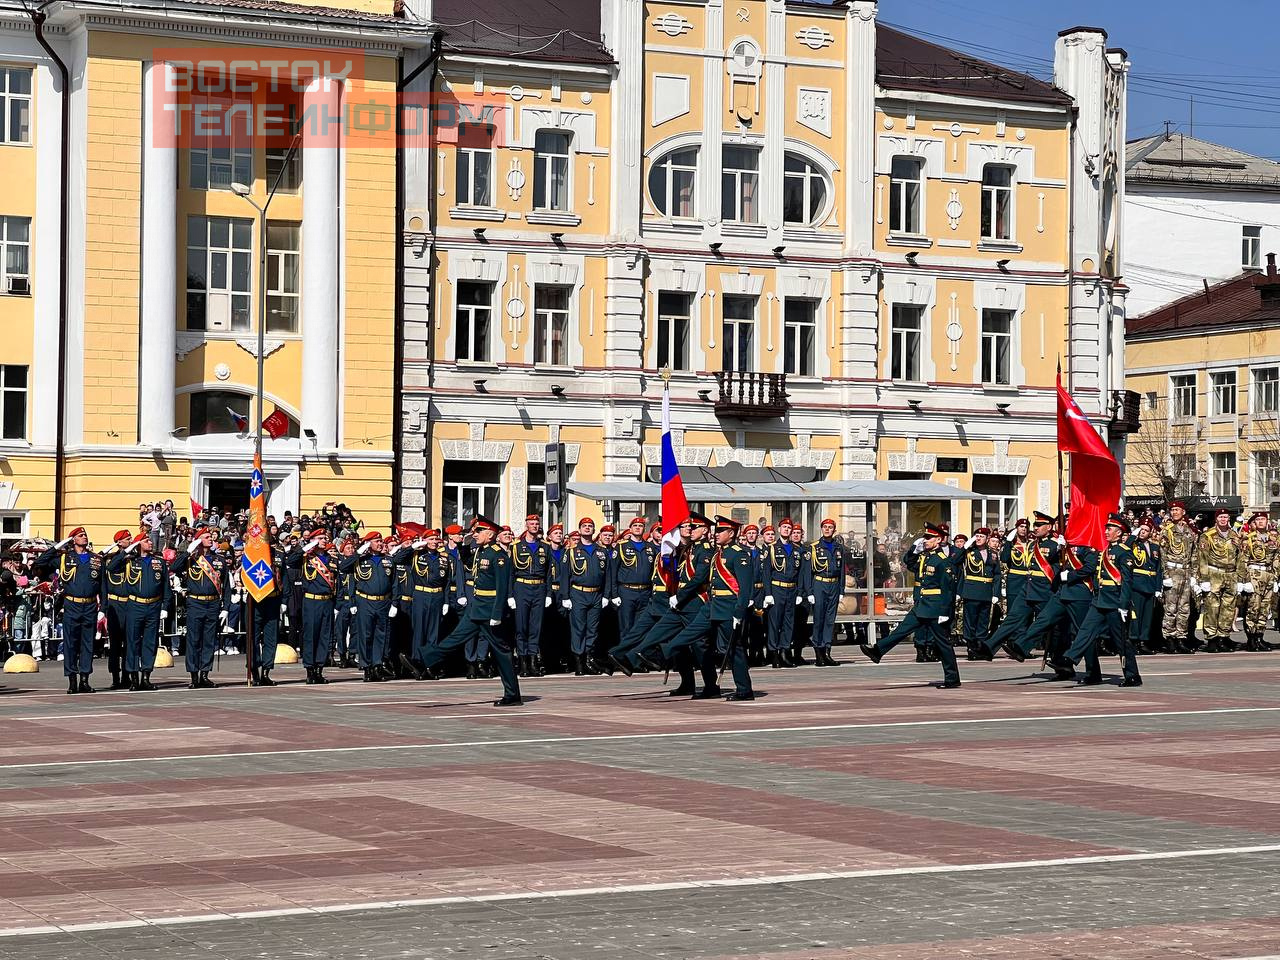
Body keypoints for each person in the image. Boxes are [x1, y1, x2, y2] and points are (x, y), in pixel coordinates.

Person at [422, 517, 521, 706]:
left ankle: (512, 694)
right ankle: (423, 659)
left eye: (478, 531)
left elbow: (502, 587)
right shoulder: (481, 551)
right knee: (455, 638)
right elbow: (468, 562)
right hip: (476, 607)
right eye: (474, 532)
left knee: (501, 652)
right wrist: (462, 545)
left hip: (490, 611)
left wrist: (497, 614)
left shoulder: (498, 555)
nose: (474, 534)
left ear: (490, 535)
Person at [663, 516, 755, 700]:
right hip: (712, 605)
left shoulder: (739, 554)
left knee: (733, 649)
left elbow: (745, 588)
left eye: (721, 531)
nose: (716, 534)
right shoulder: (717, 554)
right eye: (716, 531)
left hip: (729, 607)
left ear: (731, 533)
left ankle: (745, 690)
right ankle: (664, 651)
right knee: (690, 632)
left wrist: (739, 612)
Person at [860, 522, 960, 688]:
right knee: (901, 630)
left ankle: (952, 678)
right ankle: (877, 651)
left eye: (928, 538)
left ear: (938, 540)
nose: (925, 540)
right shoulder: (925, 556)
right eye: (925, 537)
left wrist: (944, 612)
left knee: (942, 643)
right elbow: (909, 562)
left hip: (935, 608)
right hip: (922, 605)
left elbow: (948, 589)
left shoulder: (942, 561)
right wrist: (915, 548)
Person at [1051, 514, 1141, 687]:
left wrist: (1123, 605)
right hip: (1099, 600)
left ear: (1119, 532)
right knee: (1085, 630)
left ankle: (1132, 675)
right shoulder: (1104, 551)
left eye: (1110, 529)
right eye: (1106, 528)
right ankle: (1069, 659)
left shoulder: (1124, 553)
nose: (1106, 532)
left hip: (1115, 602)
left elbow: (1127, 582)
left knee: (1120, 641)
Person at [983, 512, 1062, 659]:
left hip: (1045, 590)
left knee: (1048, 624)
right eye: (1035, 525)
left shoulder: (1056, 544)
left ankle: (1058, 660)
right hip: (1028, 587)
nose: (1035, 528)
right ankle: (988, 647)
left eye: (1039, 525)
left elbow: (1053, 562)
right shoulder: (1033, 544)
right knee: (1013, 618)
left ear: (1049, 527)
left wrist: (1060, 545)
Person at [34, 527, 102, 694]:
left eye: (85, 535)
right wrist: (58, 546)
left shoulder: (96, 559)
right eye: (80, 535)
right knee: (70, 643)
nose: (84, 537)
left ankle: (84, 680)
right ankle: (72, 680)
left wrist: (103, 608)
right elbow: (41, 562)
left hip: (90, 605)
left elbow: (103, 585)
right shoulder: (65, 558)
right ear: (73, 540)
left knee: (88, 644)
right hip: (72, 605)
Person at [169, 523, 227, 689]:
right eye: (207, 537)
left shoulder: (218, 560)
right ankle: (194, 675)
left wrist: (225, 608)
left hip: (213, 603)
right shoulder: (190, 559)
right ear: (199, 541)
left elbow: (226, 585)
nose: (211, 539)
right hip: (195, 602)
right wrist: (188, 551)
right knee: (194, 639)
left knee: (209, 640)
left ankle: (205, 674)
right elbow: (174, 567)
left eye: (211, 537)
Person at [284, 528, 338, 684]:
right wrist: (303, 549)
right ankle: (310, 670)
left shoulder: (331, 559)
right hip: (311, 601)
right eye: (320, 538)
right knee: (310, 636)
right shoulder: (306, 557)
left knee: (324, 636)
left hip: (327, 601)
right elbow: (290, 561)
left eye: (325, 537)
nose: (324, 540)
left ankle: (319, 669)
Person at [341, 531, 396, 682]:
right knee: (365, 635)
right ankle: (367, 667)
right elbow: (343, 567)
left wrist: (394, 603)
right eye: (376, 541)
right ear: (368, 543)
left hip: (383, 602)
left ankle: (377, 666)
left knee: (380, 635)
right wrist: (358, 553)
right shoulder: (360, 560)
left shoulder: (388, 560)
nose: (380, 543)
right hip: (365, 601)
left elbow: (394, 582)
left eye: (381, 541)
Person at [120, 532, 170, 690]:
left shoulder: (159, 562)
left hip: (154, 606)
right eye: (146, 540)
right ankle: (134, 677)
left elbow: (166, 587)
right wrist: (128, 550)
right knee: (132, 642)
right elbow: (111, 566)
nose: (150, 542)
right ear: (138, 544)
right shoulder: (129, 561)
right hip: (135, 606)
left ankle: (146, 677)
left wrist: (165, 607)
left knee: (150, 642)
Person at [560, 517, 610, 675]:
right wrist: (565, 597)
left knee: (593, 630)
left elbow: (608, 575)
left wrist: (606, 595)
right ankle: (579, 663)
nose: (587, 528)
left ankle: (589, 659)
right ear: (580, 530)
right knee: (578, 629)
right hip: (578, 594)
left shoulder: (601, 552)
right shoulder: (572, 552)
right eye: (584, 526)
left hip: (596, 594)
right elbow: (564, 577)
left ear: (594, 530)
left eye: (590, 526)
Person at [1195, 508, 1241, 653]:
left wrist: (1241, 578)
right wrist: (1204, 579)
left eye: (1226, 517)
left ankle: (1223, 636)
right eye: (1221, 517)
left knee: (1228, 607)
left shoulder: (1235, 535)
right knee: (1212, 607)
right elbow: (1202, 558)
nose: (1223, 519)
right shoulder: (1207, 536)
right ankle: (1212, 639)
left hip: (1231, 574)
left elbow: (1240, 557)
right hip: (1214, 573)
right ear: (1216, 519)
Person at [511, 514, 553, 677]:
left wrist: (548, 593)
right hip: (521, 587)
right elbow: (510, 573)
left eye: (537, 524)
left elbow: (549, 572)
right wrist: (510, 595)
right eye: (532, 524)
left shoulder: (545, 547)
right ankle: (522, 663)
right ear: (526, 525)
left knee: (536, 627)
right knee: (521, 627)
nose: (535, 526)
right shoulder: (516, 547)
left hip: (539, 588)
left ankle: (533, 662)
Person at [803, 518, 845, 666]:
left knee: (830, 621)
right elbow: (807, 572)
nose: (827, 529)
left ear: (834, 530)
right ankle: (818, 653)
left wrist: (841, 590)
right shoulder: (814, 547)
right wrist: (809, 592)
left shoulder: (839, 547)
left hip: (833, 585)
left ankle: (827, 651)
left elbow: (841, 571)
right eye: (825, 527)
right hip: (820, 584)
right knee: (819, 620)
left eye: (830, 527)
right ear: (821, 529)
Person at [1158, 500, 1199, 653]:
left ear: (1183, 512)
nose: (1175, 512)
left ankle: (1181, 638)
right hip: (1172, 571)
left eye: (1177, 510)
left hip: (1186, 573)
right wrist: (1166, 575)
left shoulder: (1189, 531)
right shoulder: (1166, 531)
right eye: (1173, 510)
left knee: (1184, 608)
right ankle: (1169, 639)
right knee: (1170, 608)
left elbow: (1194, 554)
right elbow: (1162, 554)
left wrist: (1195, 576)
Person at [761, 520, 802, 668]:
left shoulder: (796, 550)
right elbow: (766, 572)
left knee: (788, 623)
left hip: (791, 589)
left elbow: (800, 573)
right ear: (779, 529)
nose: (786, 530)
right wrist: (768, 593)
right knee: (774, 623)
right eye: (784, 527)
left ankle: (785, 651)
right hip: (777, 589)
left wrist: (800, 592)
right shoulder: (771, 549)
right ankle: (774, 653)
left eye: (789, 528)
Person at [1236, 511, 1278, 652]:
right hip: (1254, 574)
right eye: (1258, 519)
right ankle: (1251, 639)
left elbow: (1277, 558)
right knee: (1253, 608)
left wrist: (1276, 577)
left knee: (1265, 609)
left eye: (1263, 519)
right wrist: (1244, 580)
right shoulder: (1249, 538)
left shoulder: (1274, 538)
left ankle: (1260, 636)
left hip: (1269, 575)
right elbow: (1243, 560)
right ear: (1254, 522)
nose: (1261, 522)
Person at [611, 517, 656, 645]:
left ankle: (635, 658)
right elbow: (613, 572)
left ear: (644, 529)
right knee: (626, 627)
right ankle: (623, 658)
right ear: (630, 529)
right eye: (635, 525)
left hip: (645, 592)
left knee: (641, 627)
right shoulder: (621, 547)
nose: (637, 527)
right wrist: (614, 594)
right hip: (626, 591)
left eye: (640, 526)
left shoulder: (650, 547)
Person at [101, 528, 135, 689]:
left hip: (129, 604)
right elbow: (111, 568)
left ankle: (127, 675)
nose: (131, 541)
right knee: (115, 644)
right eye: (128, 539)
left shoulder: (133, 559)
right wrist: (123, 554)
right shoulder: (111, 559)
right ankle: (115, 676)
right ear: (120, 542)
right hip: (115, 605)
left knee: (129, 643)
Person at [959, 528, 1000, 656]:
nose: (978, 538)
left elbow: (997, 574)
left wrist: (996, 593)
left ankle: (979, 645)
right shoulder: (969, 552)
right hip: (972, 591)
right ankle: (971, 646)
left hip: (986, 591)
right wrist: (965, 547)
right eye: (976, 536)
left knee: (983, 621)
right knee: (970, 620)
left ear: (987, 538)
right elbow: (955, 561)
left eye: (981, 536)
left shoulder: (993, 554)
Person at [1128, 519, 1162, 656]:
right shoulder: (1133, 544)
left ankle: (1143, 641)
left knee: (1147, 616)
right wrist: (1133, 535)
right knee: (1136, 615)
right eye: (1141, 529)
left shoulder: (1154, 547)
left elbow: (1158, 568)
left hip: (1150, 584)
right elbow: (1124, 546)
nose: (1143, 532)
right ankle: (1134, 641)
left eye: (1146, 530)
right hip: (1137, 584)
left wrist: (1158, 587)